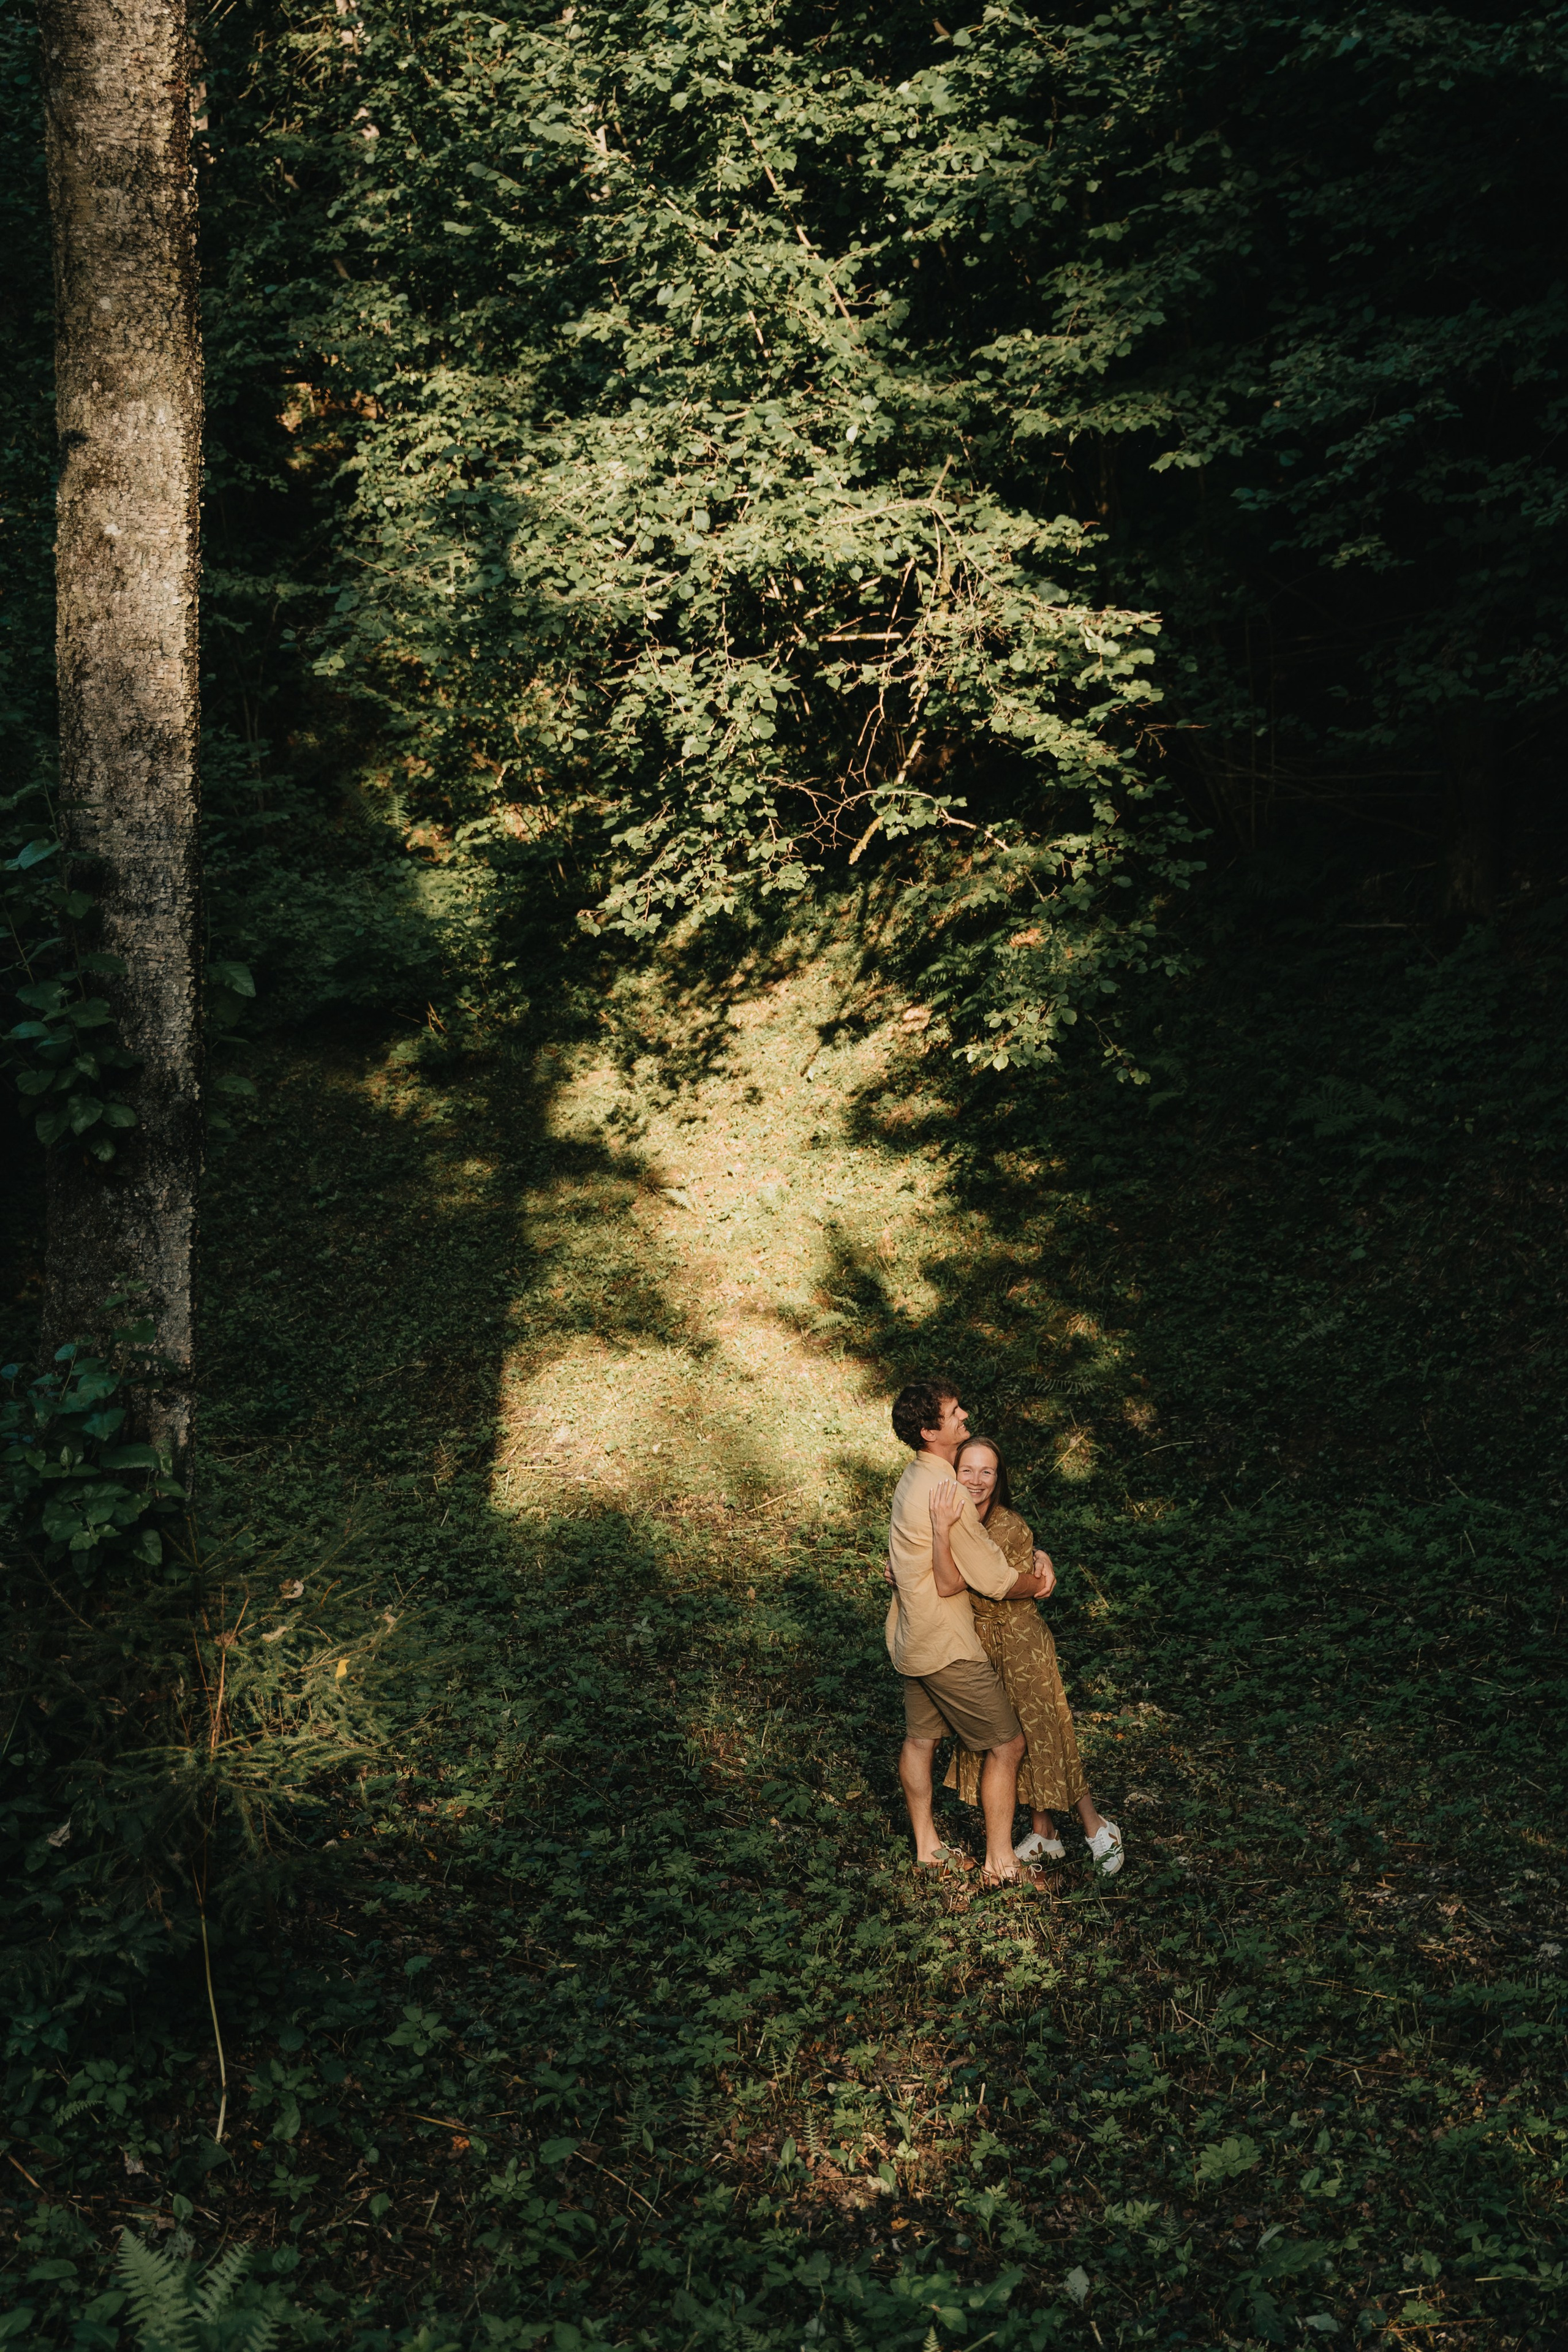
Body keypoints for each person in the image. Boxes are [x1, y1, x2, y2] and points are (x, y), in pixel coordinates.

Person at [884, 1378, 1055, 1884]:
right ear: (928, 1430)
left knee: (920, 1741)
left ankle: (927, 1846)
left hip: (910, 1637)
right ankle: (1000, 1860)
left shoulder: (910, 1479)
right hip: (947, 1645)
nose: (964, 1417)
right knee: (1008, 1745)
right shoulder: (948, 1493)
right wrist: (1039, 1581)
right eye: (954, 1413)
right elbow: (995, 1580)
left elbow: (906, 1557)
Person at [935, 1433, 1123, 1877]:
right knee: (1007, 1744)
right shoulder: (949, 1516)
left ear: (999, 1479)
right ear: (953, 1473)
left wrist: (1041, 1563)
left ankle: (1098, 1827)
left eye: (987, 1471)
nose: (976, 1480)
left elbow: (965, 1580)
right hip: (978, 1645)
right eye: (967, 1470)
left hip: (1021, 1642)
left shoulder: (1009, 1525)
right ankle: (1045, 1833)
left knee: (1045, 1734)